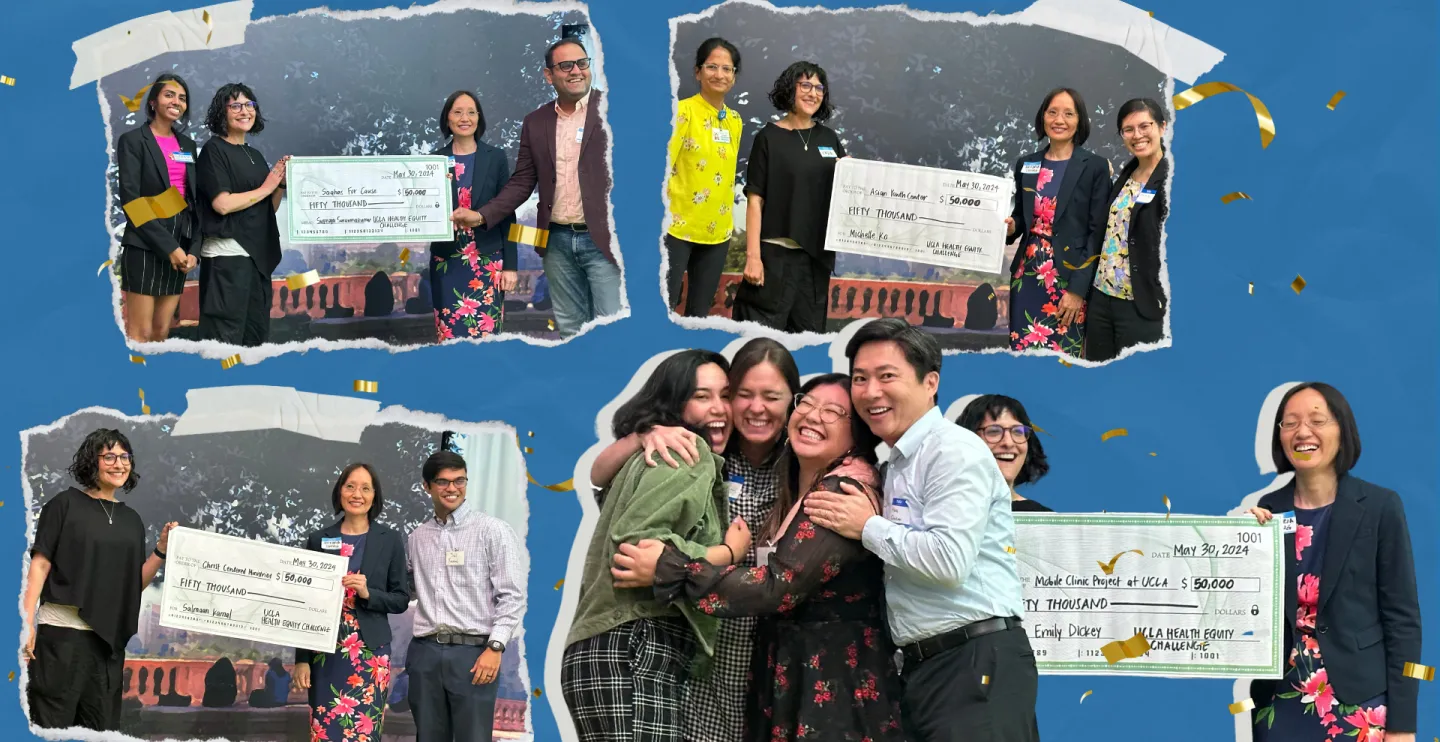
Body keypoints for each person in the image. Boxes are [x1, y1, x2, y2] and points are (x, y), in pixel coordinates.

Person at [613, 373, 904, 742]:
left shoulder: (840, 492)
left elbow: (775, 587)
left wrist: (671, 569)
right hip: (795, 674)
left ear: (858, 435)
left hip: (832, 686)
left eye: (833, 412)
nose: (813, 416)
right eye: (807, 403)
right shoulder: (800, 484)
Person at [806, 318, 1038, 742]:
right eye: (860, 378)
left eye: (886, 376)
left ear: (930, 382)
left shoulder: (952, 451)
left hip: (974, 661)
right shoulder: (898, 458)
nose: (870, 391)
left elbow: (948, 561)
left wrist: (867, 527)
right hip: (927, 667)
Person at [588, 338, 801, 742]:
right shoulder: (700, 450)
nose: (756, 408)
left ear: (793, 400)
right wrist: (645, 434)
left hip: (773, 649)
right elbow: (601, 479)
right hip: (701, 646)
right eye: (743, 395)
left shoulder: (803, 463)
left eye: (771, 396)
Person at [561, 350, 748, 742]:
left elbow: (598, 479)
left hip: (604, 650)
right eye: (702, 396)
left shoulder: (647, 453)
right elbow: (636, 550)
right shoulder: (688, 452)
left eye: (726, 394)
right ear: (674, 402)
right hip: (634, 644)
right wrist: (726, 554)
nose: (720, 408)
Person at [1245, 383, 1420, 742]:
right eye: (1289, 423)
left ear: (1342, 429)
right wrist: (1241, 548)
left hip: (1360, 704)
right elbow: (1247, 610)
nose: (1302, 432)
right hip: (1279, 703)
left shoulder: (1381, 507)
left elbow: (1404, 622)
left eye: (1317, 420)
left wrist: (1403, 724)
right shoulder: (1268, 508)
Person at [22, 429, 177, 731]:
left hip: (107, 647)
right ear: (91, 462)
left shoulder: (132, 520)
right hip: (61, 639)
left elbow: (130, 587)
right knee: (52, 728)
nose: (119, 464)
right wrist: (26, 621)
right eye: (109, 456)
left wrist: (160, 550)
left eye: (124, 457)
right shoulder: (64, 504)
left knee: (100, 731)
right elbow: (40, 566)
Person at [473, 37, 621, 338]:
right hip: (556, 243)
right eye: (566, 65)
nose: (576, 71)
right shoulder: (535, 122)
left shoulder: (614, 111)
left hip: (606, 240)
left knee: (611, 326)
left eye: (582, 63)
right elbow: (523, 181)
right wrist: (481, 216)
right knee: (570, 329)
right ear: (549, 75)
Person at [407, 451, 526, 742]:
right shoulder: (416, 537)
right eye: (443, 482)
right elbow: (406, 588)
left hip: (475, 655)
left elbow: (511, 595)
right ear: (427, 486)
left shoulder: (493, 531)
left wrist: (495, 647)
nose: (452, 488)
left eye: (459, 480)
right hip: (426, 653)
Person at [292, 463, 410, 740]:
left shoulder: (389, 539)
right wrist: (302, 659)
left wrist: (369, 594)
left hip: (370, 654)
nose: (357, 494)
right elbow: (304, 603)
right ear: (340, 492)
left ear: (374, 496)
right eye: (350, 486)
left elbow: (401, 599)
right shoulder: (319, 540)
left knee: (363, 734)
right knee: (325, 731)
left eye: (365, 488)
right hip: (325, 653)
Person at [732, 61, 845, 333]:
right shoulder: (768, 138)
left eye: (819, 87)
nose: (813, 93)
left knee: (807, 340)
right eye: (805, 85)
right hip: (774, 259)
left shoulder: (829, 139)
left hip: (814, 263)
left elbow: (844, 196)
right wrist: (753, 257)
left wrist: (852, 175)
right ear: (790, 89)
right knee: (758, 341)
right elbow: (755, 200)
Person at [1003, 88, 1112, 357]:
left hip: (1069, 279)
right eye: (1052, 112)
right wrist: (1011, 226)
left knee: (1065, 359)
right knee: (1024, 356)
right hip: (1027, 276)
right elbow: (1021, 215)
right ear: (1042, 118)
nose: (1059, 120)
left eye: (1068, 113)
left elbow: (1097, 233)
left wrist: (1077, 291)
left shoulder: (1095, 166)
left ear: (1080, 121)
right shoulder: (1026, 164)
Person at [195, 82, 290, 346]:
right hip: (227, 259)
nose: (244, 110)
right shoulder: (213, 151)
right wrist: (267, 186)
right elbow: (222, 204)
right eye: (235, 105)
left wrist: (279, 184)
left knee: (255, 339)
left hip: (257, 258)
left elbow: (265, 210)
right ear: (221, 113)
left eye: (250, 104)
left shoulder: (255, 155)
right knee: (224, 342)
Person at [116, 72, 202, 342]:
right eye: (169, 95)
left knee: (161, 332)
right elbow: (131, 201)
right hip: (145, 242)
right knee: (140, 334)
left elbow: (194, 199)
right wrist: (169, 248)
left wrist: (193, 250)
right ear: (153, 101)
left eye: (182, 97)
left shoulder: (187, 146)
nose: (177, 101)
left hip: (181, 242)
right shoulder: (132, 141)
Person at [1086, 98, 1170, 361]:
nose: (1137, 135)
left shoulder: (1173, 177)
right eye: (1128, 129)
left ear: (1162, 127)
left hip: (1141, 304)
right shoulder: (1126, 173)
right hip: (1102, 300)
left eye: (1145, 126)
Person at [430, 90, 518, 341]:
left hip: (488, 260)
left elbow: (507, 214)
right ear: (447, 119)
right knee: (449, 336)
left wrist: (511, 266)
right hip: (446, 261)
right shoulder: (434, 161)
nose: (464, 118)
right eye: (457, 112)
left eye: (471, 112)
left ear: (479, 118)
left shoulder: (496, 158)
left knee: (488, 337)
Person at [666, 38, 744, 317]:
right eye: (712, 66)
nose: (720, 74)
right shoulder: (681, 112)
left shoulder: (735, 120)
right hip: (676, 228)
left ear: (734, 77)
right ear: (698, 72)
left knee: (699, 313)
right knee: (663, 305)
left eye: (727, 68)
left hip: (717, 231)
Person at [955, 395, 1053, 512]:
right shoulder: (937, 514)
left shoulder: (1043, 519)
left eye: (1018, 431)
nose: (1008, 442)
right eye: (994, 431)